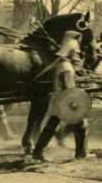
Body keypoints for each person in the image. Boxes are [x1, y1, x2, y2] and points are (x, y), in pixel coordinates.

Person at [31, 31, 91, 162]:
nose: (76, 55)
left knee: (51, 126)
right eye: (75, 52)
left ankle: (37, 152)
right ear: (71, 52)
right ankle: (81, 154)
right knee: (83, 124)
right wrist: (76, 105)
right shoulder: (67, 67)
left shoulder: (59, 64)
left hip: (57, 100)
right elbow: (70, 90)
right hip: (65, 102)